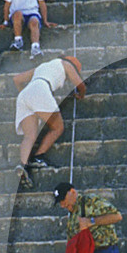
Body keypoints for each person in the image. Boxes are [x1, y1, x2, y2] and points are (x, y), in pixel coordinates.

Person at [14, 50, 86, 184]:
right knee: (58, 127)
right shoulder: (66, 64)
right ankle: (38, 157)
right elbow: (81, 85)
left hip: (25, 94)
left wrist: (29, 97)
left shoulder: (42, 66)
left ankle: (23, 165)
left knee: (29, 136)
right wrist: (80, 95)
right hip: (41, 89)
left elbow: (17, 79)